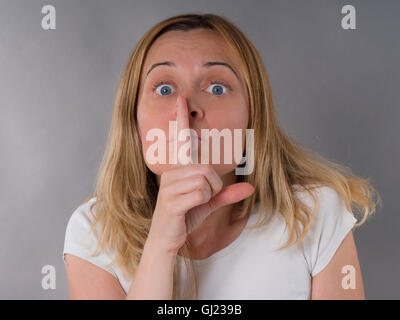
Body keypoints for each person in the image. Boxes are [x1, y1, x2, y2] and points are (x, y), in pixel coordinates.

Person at [62, 13, 380, 300]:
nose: (185, 107)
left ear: (252, 115)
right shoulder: (93, 232)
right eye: (164, 89)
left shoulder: (314, 213)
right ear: (133, 118)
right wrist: (161, 244)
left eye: (216, 88)